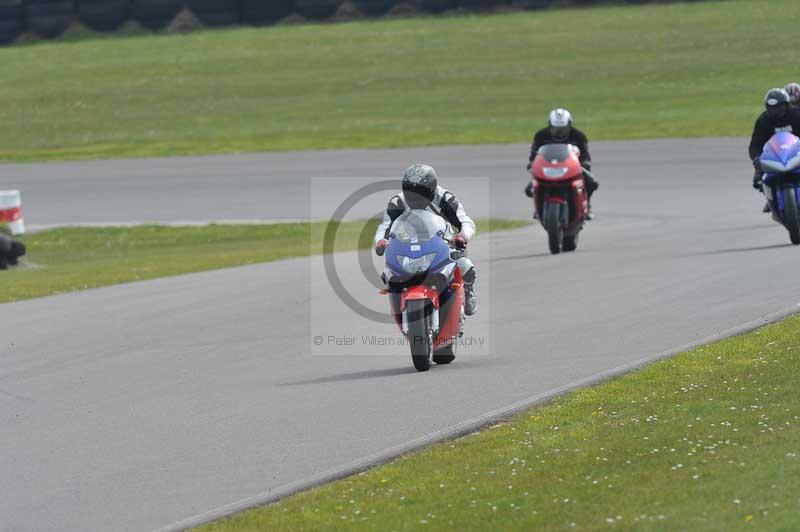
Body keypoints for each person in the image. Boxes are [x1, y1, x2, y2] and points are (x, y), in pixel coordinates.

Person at [374, 164, 478, 316]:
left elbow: (466, 222)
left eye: (421, 193)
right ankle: (398, 305)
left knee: (465, 265)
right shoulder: (398, 202)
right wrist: (381, 241)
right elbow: (385, 227)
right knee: (388, 273)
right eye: (411, 192)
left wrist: (462, 236)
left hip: (442, 243)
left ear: (432, 189)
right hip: (408, 246)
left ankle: (468, 291)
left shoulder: (444, 198)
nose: (415, 197)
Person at [524, 109, 599, 218]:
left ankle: (587, 206)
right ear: (550, 125)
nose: (559, 133)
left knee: (591, 183)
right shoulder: (541, 135)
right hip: (547, 167)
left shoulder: (578, 136)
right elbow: (533, 153)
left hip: (571, 167)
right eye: (556, 129)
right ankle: (539, 209)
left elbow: (585, 155)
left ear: (569, 125)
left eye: (563, 129)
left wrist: (585, 164)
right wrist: (532, 163)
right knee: (530, 190)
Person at [748, 89, 800, 213]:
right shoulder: (763, 120)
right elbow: (755, 145)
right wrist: (756, 159)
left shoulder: (797, 115)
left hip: (797, 153)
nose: (774, 111)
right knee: (759, 176)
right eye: (771, 108)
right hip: (775, 156)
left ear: (786, 105)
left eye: (778, 108)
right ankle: (771, 196)